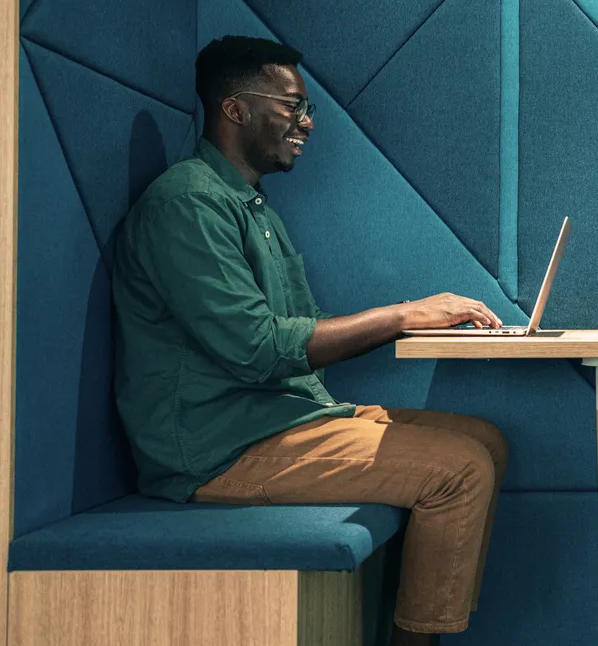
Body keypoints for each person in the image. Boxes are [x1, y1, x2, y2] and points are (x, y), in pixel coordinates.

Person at [112, 35, 508, 646]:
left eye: (308, 108)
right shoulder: (187, 204)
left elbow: (297, 332)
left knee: (485, 439)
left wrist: (413, 317)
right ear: (235, 108)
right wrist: (404, 314)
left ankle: (408, 623)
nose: (307, 122)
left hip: (279, 418)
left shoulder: (251, 208)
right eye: (293, 106)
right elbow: (258, 347)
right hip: (216, 447)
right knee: (460, 469)